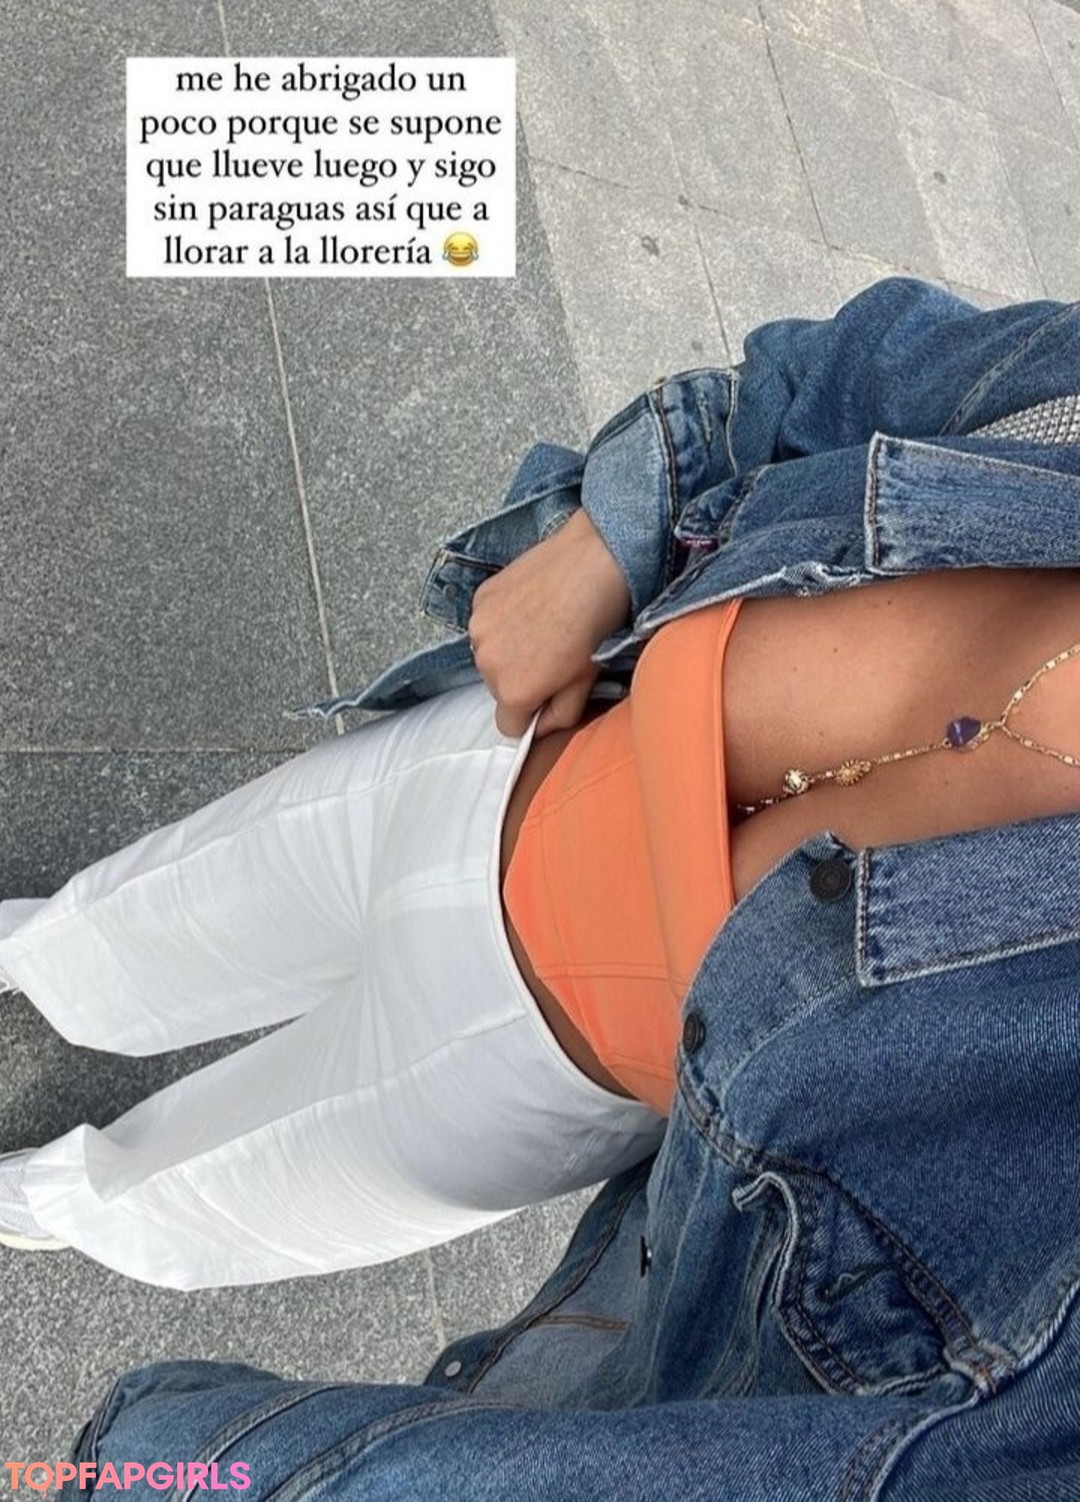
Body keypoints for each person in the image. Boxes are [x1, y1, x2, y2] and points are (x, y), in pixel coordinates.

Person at [52, 274, 1080, 1496]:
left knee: (148, 1200)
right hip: (483, 756)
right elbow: (838, 373)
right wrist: (607, 540)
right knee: (97, 934)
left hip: (513, 1082)